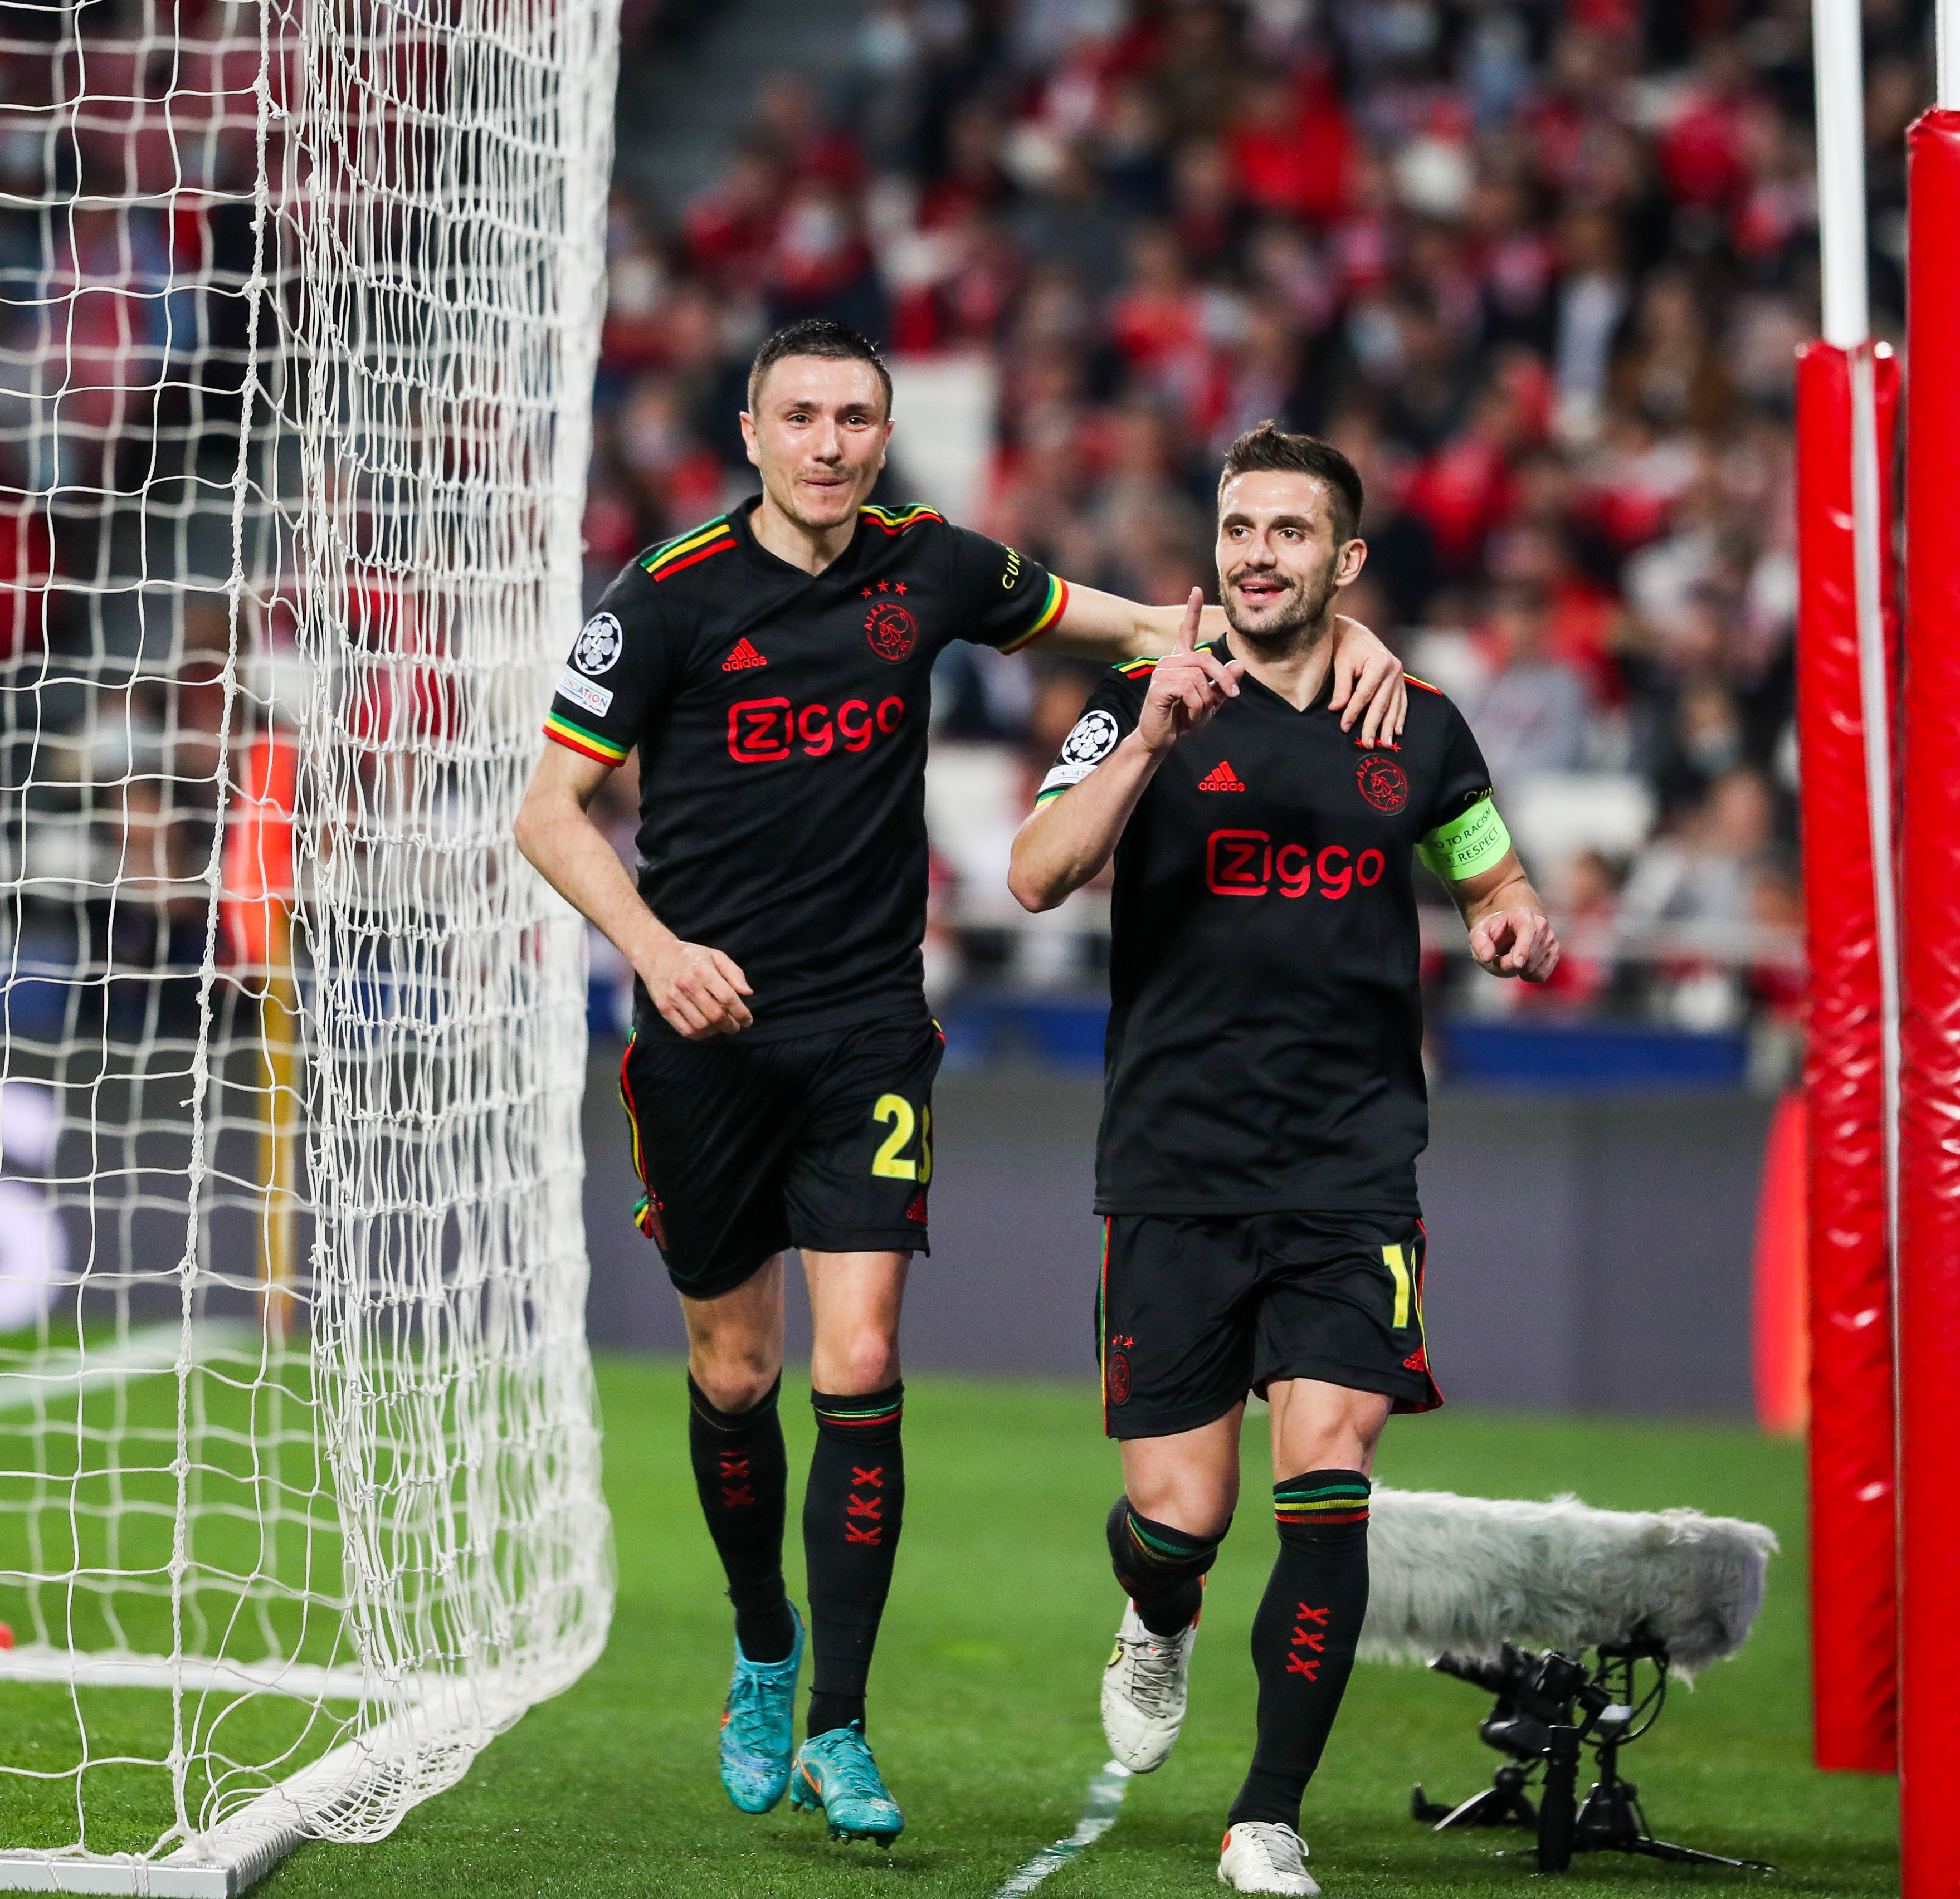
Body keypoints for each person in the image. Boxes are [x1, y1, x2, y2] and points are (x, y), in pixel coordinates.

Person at [511, 323, 1408, 1846]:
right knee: (737, 1373)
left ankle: (843, 1724)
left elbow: (1137, 626)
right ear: (750, 432)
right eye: (800, 416)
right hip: (701, 1032)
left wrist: (1335, 640)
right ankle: (762, 1641)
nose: (830, 441)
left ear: (879, 434)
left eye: (855, 417)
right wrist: (653, 948)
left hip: (867, 1024)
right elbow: (548, 813)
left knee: (858, 1361)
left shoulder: (929, 568)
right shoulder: (663, 599)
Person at [1008, 423, 1559, 1896]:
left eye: (1290, 532)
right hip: (1176, 1160)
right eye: (1240, 527)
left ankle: (1267, 1815)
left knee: (1329, 1471)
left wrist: (1509, 912)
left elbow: (1489, 863)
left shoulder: (1421, 722)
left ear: (1343, 560)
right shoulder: (1141, 694)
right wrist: (1152, 739)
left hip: (1350, 1164)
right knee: (1178, 1520)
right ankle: (1157, 1611)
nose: (1259, 552)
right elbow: (1036, 872)